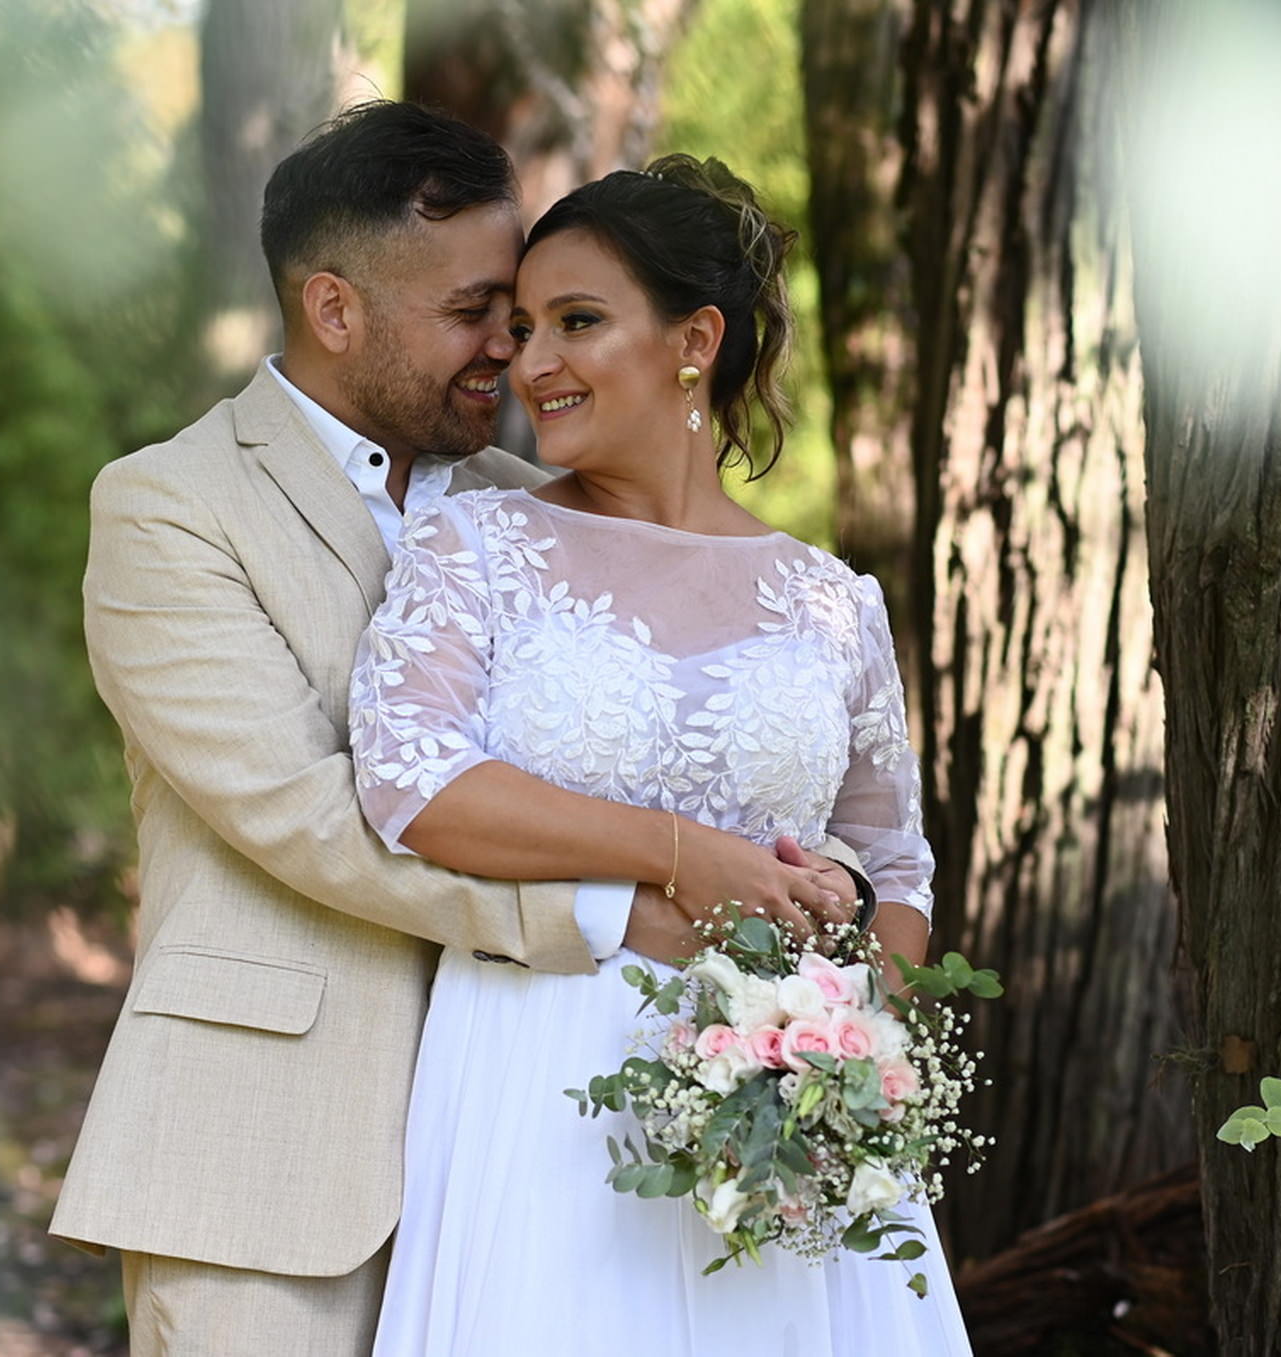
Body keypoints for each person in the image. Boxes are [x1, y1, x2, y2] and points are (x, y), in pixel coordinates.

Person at [53, 103, 870, 1357]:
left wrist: (810, 879)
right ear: (336, 311)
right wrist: (611, 908)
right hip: (271, 1165)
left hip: (538, 1165)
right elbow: (308, 814)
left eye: (535, 315)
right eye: (478, 310)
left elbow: (690, 723)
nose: (513, 349)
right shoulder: (171, 509)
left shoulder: (528, 509)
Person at [350, 153, 971, 1354]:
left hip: (782, 1109)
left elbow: (897, 869)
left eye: (577, 321)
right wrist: (691, 856)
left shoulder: (832, 601)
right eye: (523, 327)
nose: (532, 363)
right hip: (537, 1079)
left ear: (696, 339)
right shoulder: (474, 545)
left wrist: (857, 1074)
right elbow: (413, 785)